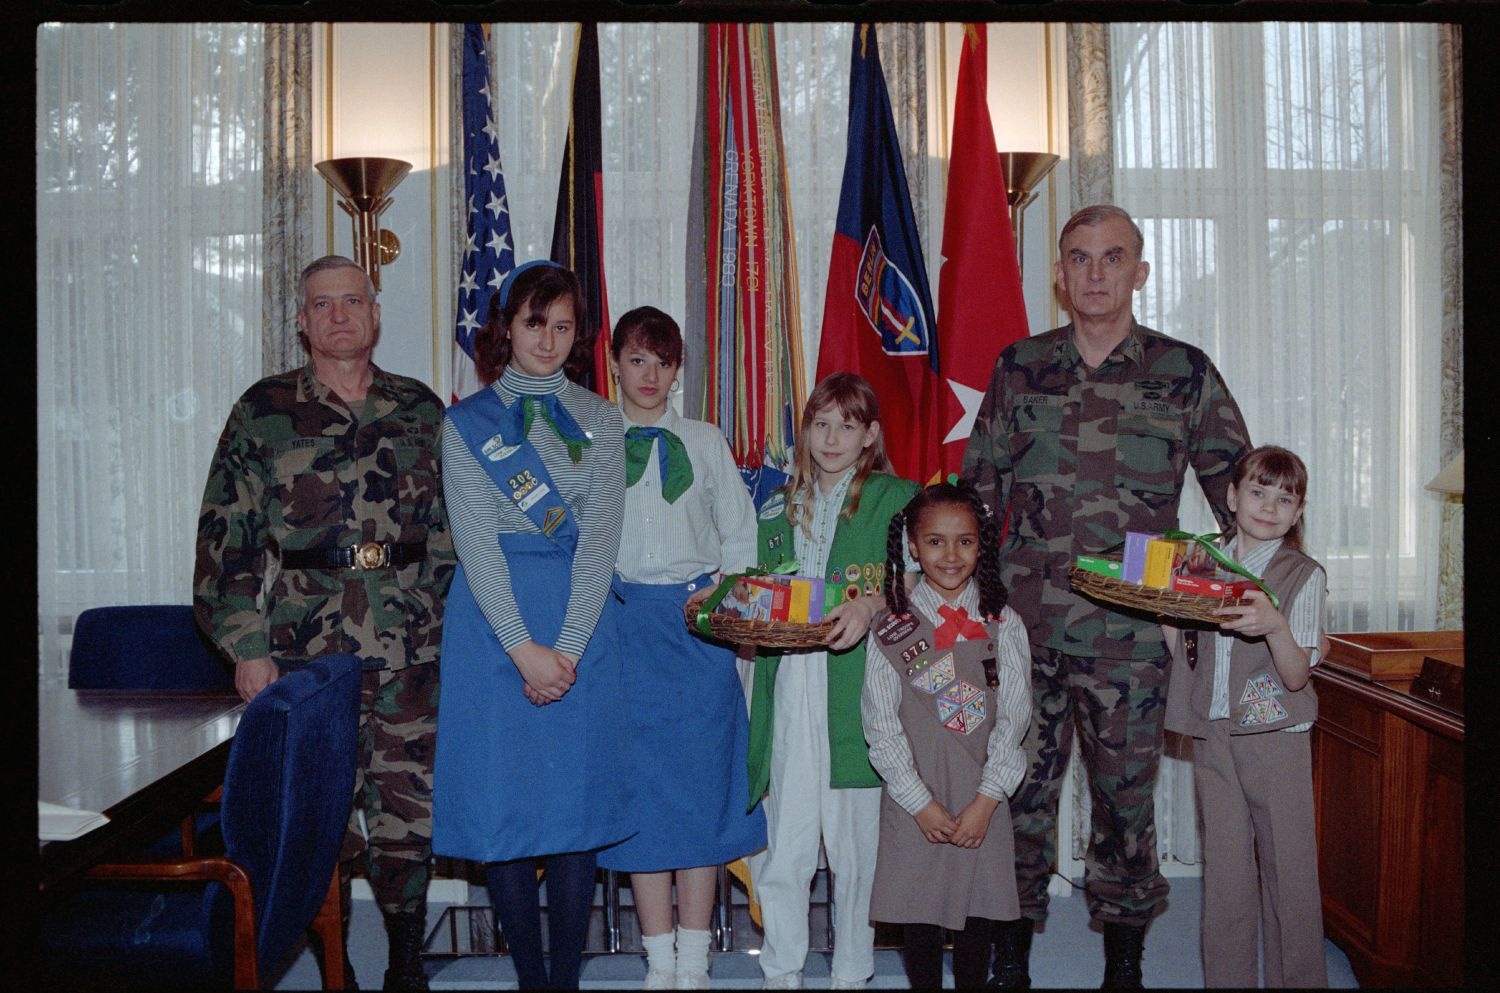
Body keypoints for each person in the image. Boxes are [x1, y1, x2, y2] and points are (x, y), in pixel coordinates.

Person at [962, 204, 1251, 988]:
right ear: (1059, 273)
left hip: (1131, 642)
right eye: (1080, 258)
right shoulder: (1020, 365)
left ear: (1140, 271)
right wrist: (974, 611)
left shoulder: (1182, 371)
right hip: (1028, 631)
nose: (1095, 272)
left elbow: (1245, 503)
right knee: (1016, 796)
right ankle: (1011, 958)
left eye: (1112, 257)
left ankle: (1124, 966)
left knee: (1126, 809)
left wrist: (1200, 600)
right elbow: (976, 496)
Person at [194, 254, 455, 992]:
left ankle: (406, 965)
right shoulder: (263, 412)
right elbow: (228, 539)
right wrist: (246, 647)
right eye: (322, 304)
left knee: (409, 814)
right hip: (303, 653)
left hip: (411, 648)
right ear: (302, 322)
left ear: (374, 315)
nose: (339, 315)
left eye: (353, 301)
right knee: (318, 821)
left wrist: (448, 631)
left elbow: (451, 533)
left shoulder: (421, 410)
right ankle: (333, 965)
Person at [430, 260, 628, 991]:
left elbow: (600, 541)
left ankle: (565, 980)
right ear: (505, 327)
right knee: (504, 806)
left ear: (578, 335)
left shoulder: (603, 420)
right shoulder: (466, 424)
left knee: (573, 811)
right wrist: (524, 651)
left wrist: (565, 651)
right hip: (494, 627)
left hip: (580, 619)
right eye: (533, 322)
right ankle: (530, 978)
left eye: (563, 325)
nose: (547, 339)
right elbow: (477, 543)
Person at [593, 306, 767, 990]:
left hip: (696, 628)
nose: (649, 374)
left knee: (699, 799)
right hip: (623, 624)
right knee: (643, 798)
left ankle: (695, 962)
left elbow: (742, 535)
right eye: (636, 359)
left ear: (677, 370)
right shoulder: (590, 440)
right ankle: (656, 960)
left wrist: (719, 595)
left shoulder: (703, 439)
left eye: (662, 362)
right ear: (613, 363)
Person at [745, 372, 921, 990]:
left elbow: (936, 579)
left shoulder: (898, 498)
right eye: (821, 423)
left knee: (855, 850)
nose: (831, 437)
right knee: (786, 842)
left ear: (870, 434)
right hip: (790, 685)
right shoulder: (775, 503)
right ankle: (782, 970)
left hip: (859, 689)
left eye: (847, 425)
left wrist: (873, 603)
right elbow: (751, 585)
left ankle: (851, 972)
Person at [1163, 445, 1328, 988]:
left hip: (1277, 735)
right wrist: (1168, 609)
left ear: (1298, 512)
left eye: (1285, 498)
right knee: (1227, 879)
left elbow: (1297, 676)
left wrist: (1274, 625)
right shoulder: (1201, 558)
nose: (1269, 506)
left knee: (1289, 872)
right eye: (1258, 491)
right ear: (1232, 496)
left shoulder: (1302, 573)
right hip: (1215, 732)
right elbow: (1186, 649)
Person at [860, 481, 1032, 990]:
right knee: (920, 909)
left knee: (977, 909)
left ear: (982, 545)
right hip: (918, 792)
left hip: (982, 790)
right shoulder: (893, 626)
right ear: (912, 545)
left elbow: (1014, 719)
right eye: (935, 542)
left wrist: (986, 800)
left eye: (965, 541)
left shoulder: (1005, 623)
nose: (951, 555)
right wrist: (918, 801)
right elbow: (880, 722)